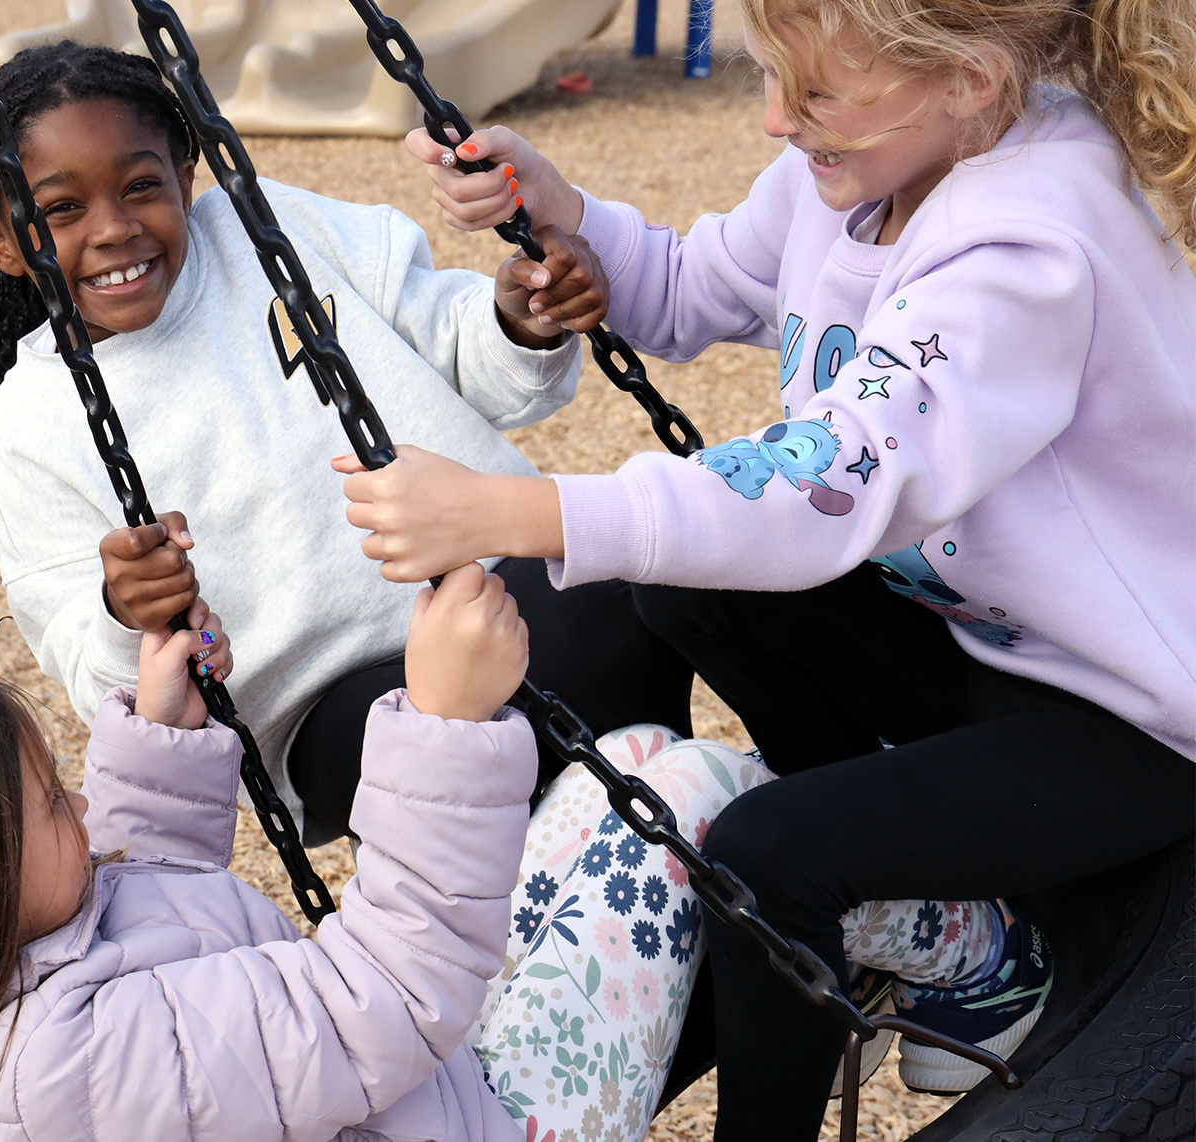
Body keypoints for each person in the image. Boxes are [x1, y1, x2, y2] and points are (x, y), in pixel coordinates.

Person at [342, 0, 1196, 1136]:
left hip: (1137, 711)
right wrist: (566, 215)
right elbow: (697, 284)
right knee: (689, 585)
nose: (770, 120)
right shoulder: (866, 163)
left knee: (766, 849)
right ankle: (935, 913)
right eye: (765, 79)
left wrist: (515, 508)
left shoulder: (1027, 249)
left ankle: (870, 964)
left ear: (972, 80)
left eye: (813, 95)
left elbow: (826, 480)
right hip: (997, 640)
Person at [0, 567, 792, 1142]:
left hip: (413, 1081)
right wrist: (446, 721)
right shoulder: (60, 1075)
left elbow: (148, 926)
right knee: (690, 795)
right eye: (54, 802)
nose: (81, 804)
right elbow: (385, 989)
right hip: (491, 1113)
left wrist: (164, 738)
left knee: (634, 756)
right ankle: (946, 952)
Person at [0, 40, 695, 847]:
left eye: (142, 186)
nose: (115, 229)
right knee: (494, 718)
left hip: (484, 580)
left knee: (644, 590)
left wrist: (522, 318)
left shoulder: (272, 233)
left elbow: (458, 352)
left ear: (186, 178)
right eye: (63, 210)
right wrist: (120, 609)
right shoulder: (31, 424)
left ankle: (685, 863)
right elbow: (90, 673)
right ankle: (566, 921)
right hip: (324, 704)